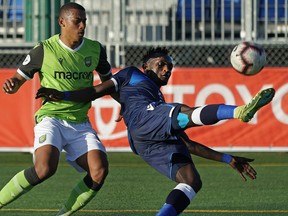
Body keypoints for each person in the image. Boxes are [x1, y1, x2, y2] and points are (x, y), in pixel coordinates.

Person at [35, 47, 275, 216]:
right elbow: (95, 91)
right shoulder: (132, 74)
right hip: (144, 120)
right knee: (183, 112)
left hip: (146, 142)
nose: (166, 69)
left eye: (169, 66)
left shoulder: (157, 97)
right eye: (161, 64)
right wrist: (63, 95)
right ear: (145, 66)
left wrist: (228, 159)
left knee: (191, 181)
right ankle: (239, 112)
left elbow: (188, 144)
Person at [1, 2, 112, 215]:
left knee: (99, 171)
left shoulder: (95, 49)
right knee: (44, 169)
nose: (82, 26)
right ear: (62, 21)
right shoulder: (44, 50)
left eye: (84, 21)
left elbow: (110, 83)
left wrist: (124, 104)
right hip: (51, 118)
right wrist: (11, 84)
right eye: (77, 21)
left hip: (80, 122)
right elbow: (17, 78)